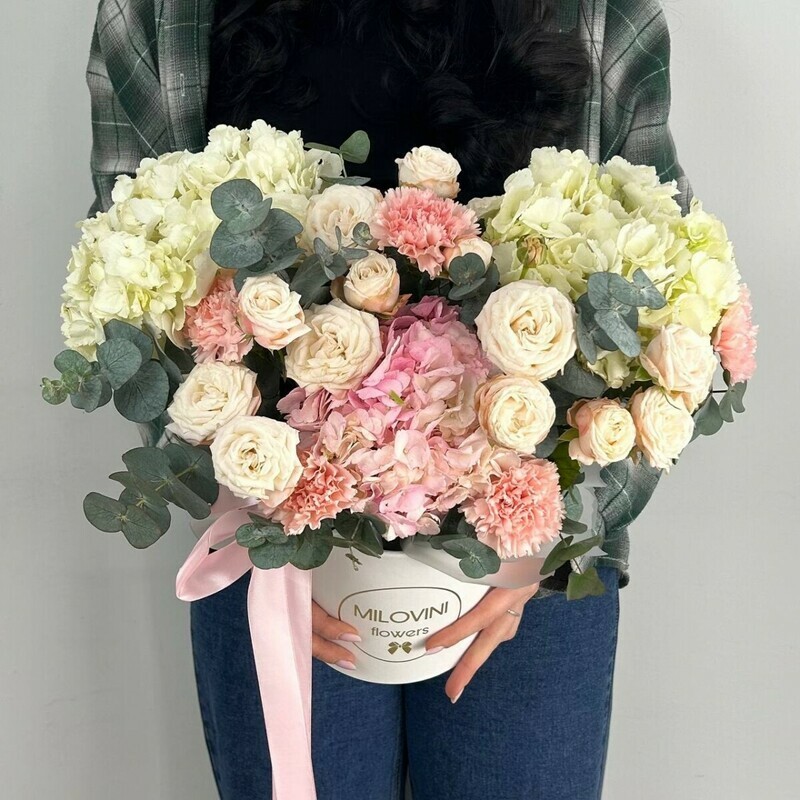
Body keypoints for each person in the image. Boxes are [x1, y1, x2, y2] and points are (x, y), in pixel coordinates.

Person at [87, 1, 690, 797]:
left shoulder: (605, 13)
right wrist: (248, 501)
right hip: (277, 557)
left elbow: (669, 296)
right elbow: (129, 284)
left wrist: (545, 533)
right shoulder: (159, 14)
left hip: (531, 565)